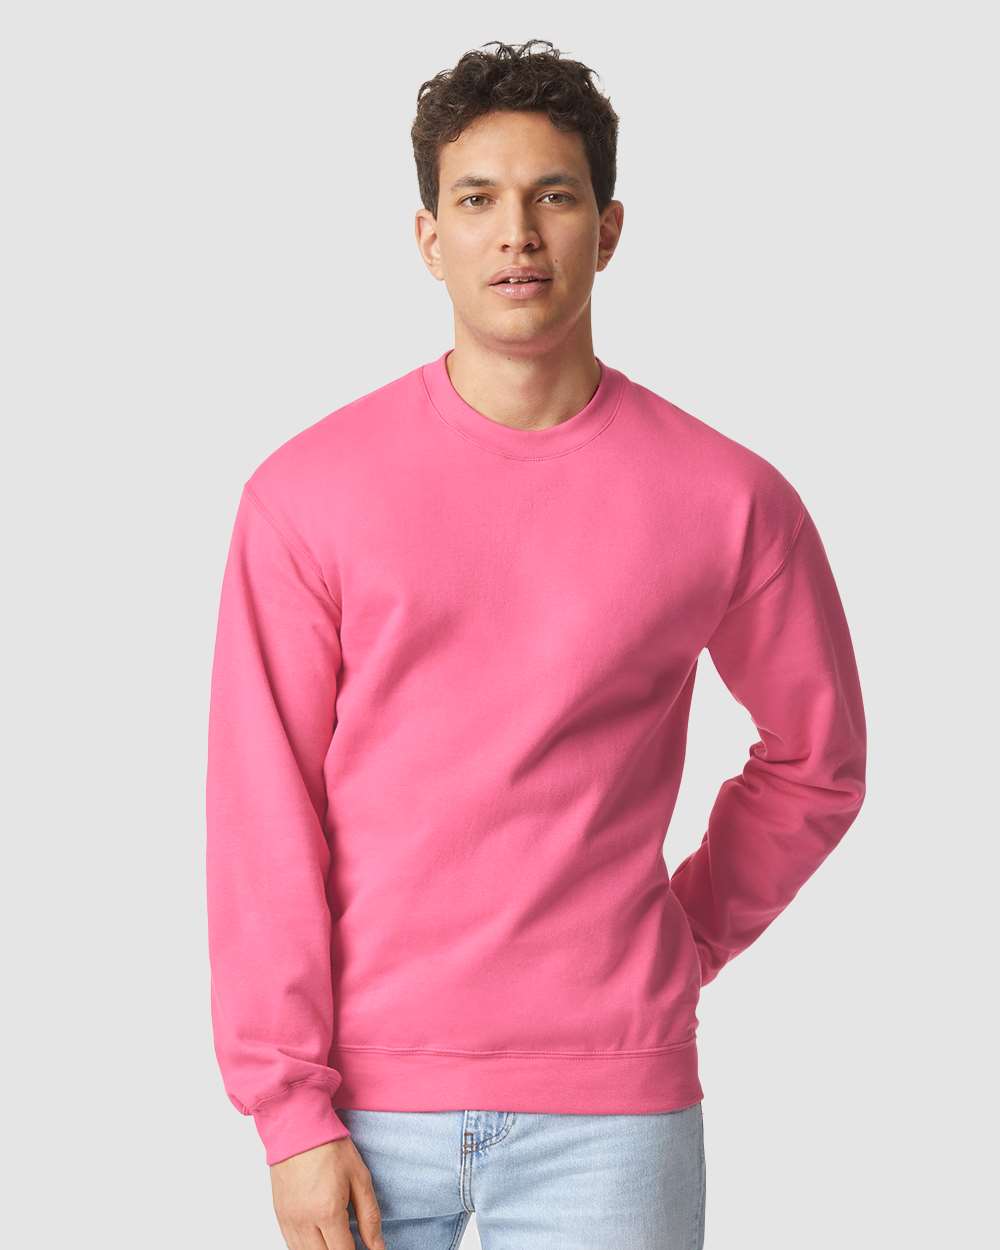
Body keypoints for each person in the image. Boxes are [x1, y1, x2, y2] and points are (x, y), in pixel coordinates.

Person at [205, 38, 867, 1250]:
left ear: (607, 230)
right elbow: (263, 808)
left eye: (552, 196)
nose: (516, 233)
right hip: (362, 1101)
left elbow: (817, 759)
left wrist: (686, 933)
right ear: (429, 238)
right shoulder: (308, 494)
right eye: (478, 200)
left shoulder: (726, 497)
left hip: (612, 1111)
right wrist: (288, 1108)